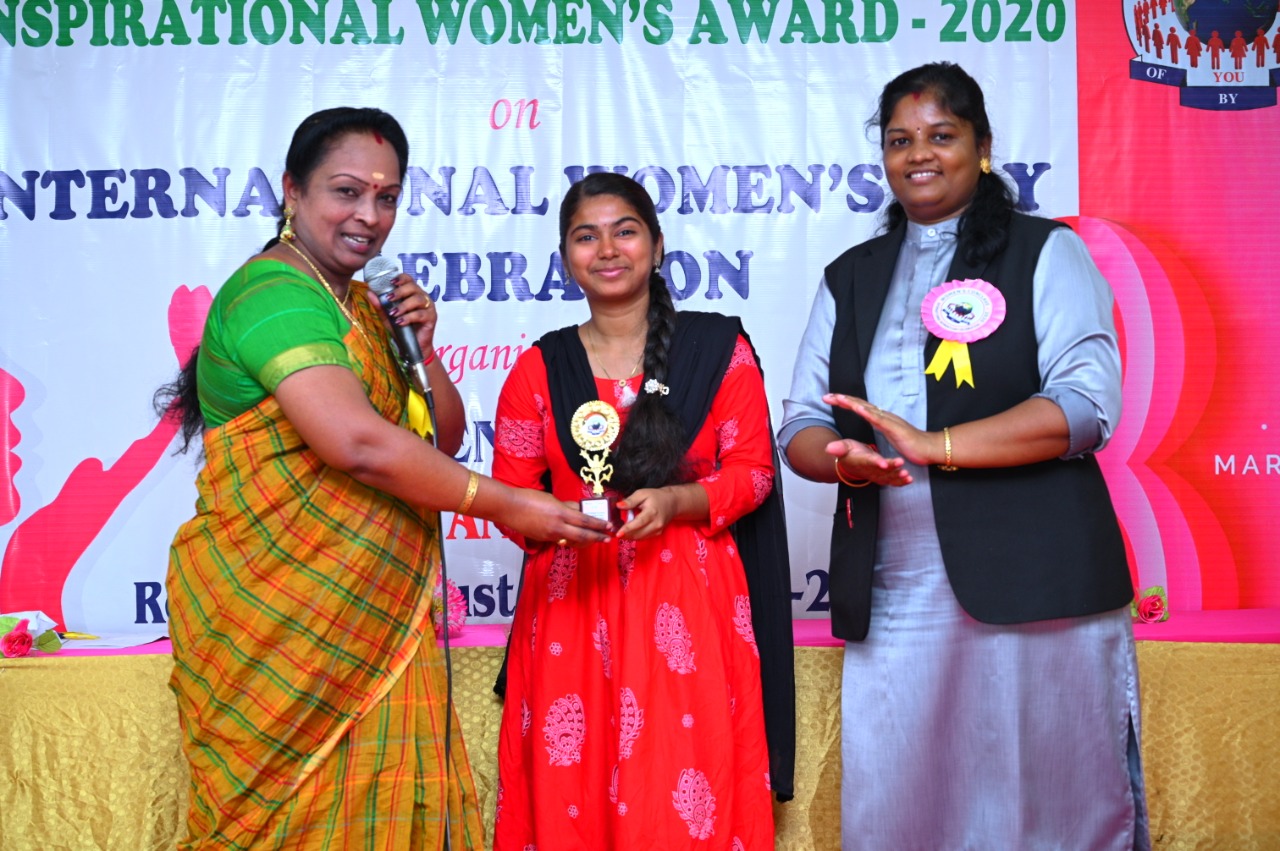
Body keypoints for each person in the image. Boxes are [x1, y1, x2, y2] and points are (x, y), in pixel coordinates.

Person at [156, 107, 611, 850]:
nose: (369, 216)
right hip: (283, 628)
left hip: (376, 621)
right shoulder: (272, 294)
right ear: (292, 191)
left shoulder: (367, 307)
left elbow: (442, 436)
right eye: (347, 191)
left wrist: (421, 349)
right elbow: (357, 444)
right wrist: (505, 504)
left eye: (387, 196)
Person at [779, 63, 1150, 850]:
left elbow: (1086, 407)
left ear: (982, 146)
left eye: (941, 135)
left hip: (1037, 578)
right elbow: (803, 422)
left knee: (1049, 802)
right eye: (899, 140)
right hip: (898, 589)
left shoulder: (1047, 251)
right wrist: (847, 462)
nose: (919, 154)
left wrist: (935, 446)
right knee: (905, 799)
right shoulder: (851, 277)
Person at [489, 172, 794, 850]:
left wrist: (680, 501)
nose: (607, 249)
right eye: (586, 236)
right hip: (573, 603)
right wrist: (555, 516)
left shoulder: (718, 350)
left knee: (679, 785)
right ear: (565, 257)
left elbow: (753, 474)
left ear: (656, 246)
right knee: (573, 790)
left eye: (624, 231)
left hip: (687, 602)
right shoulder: (540, 367)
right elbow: (510, 494)